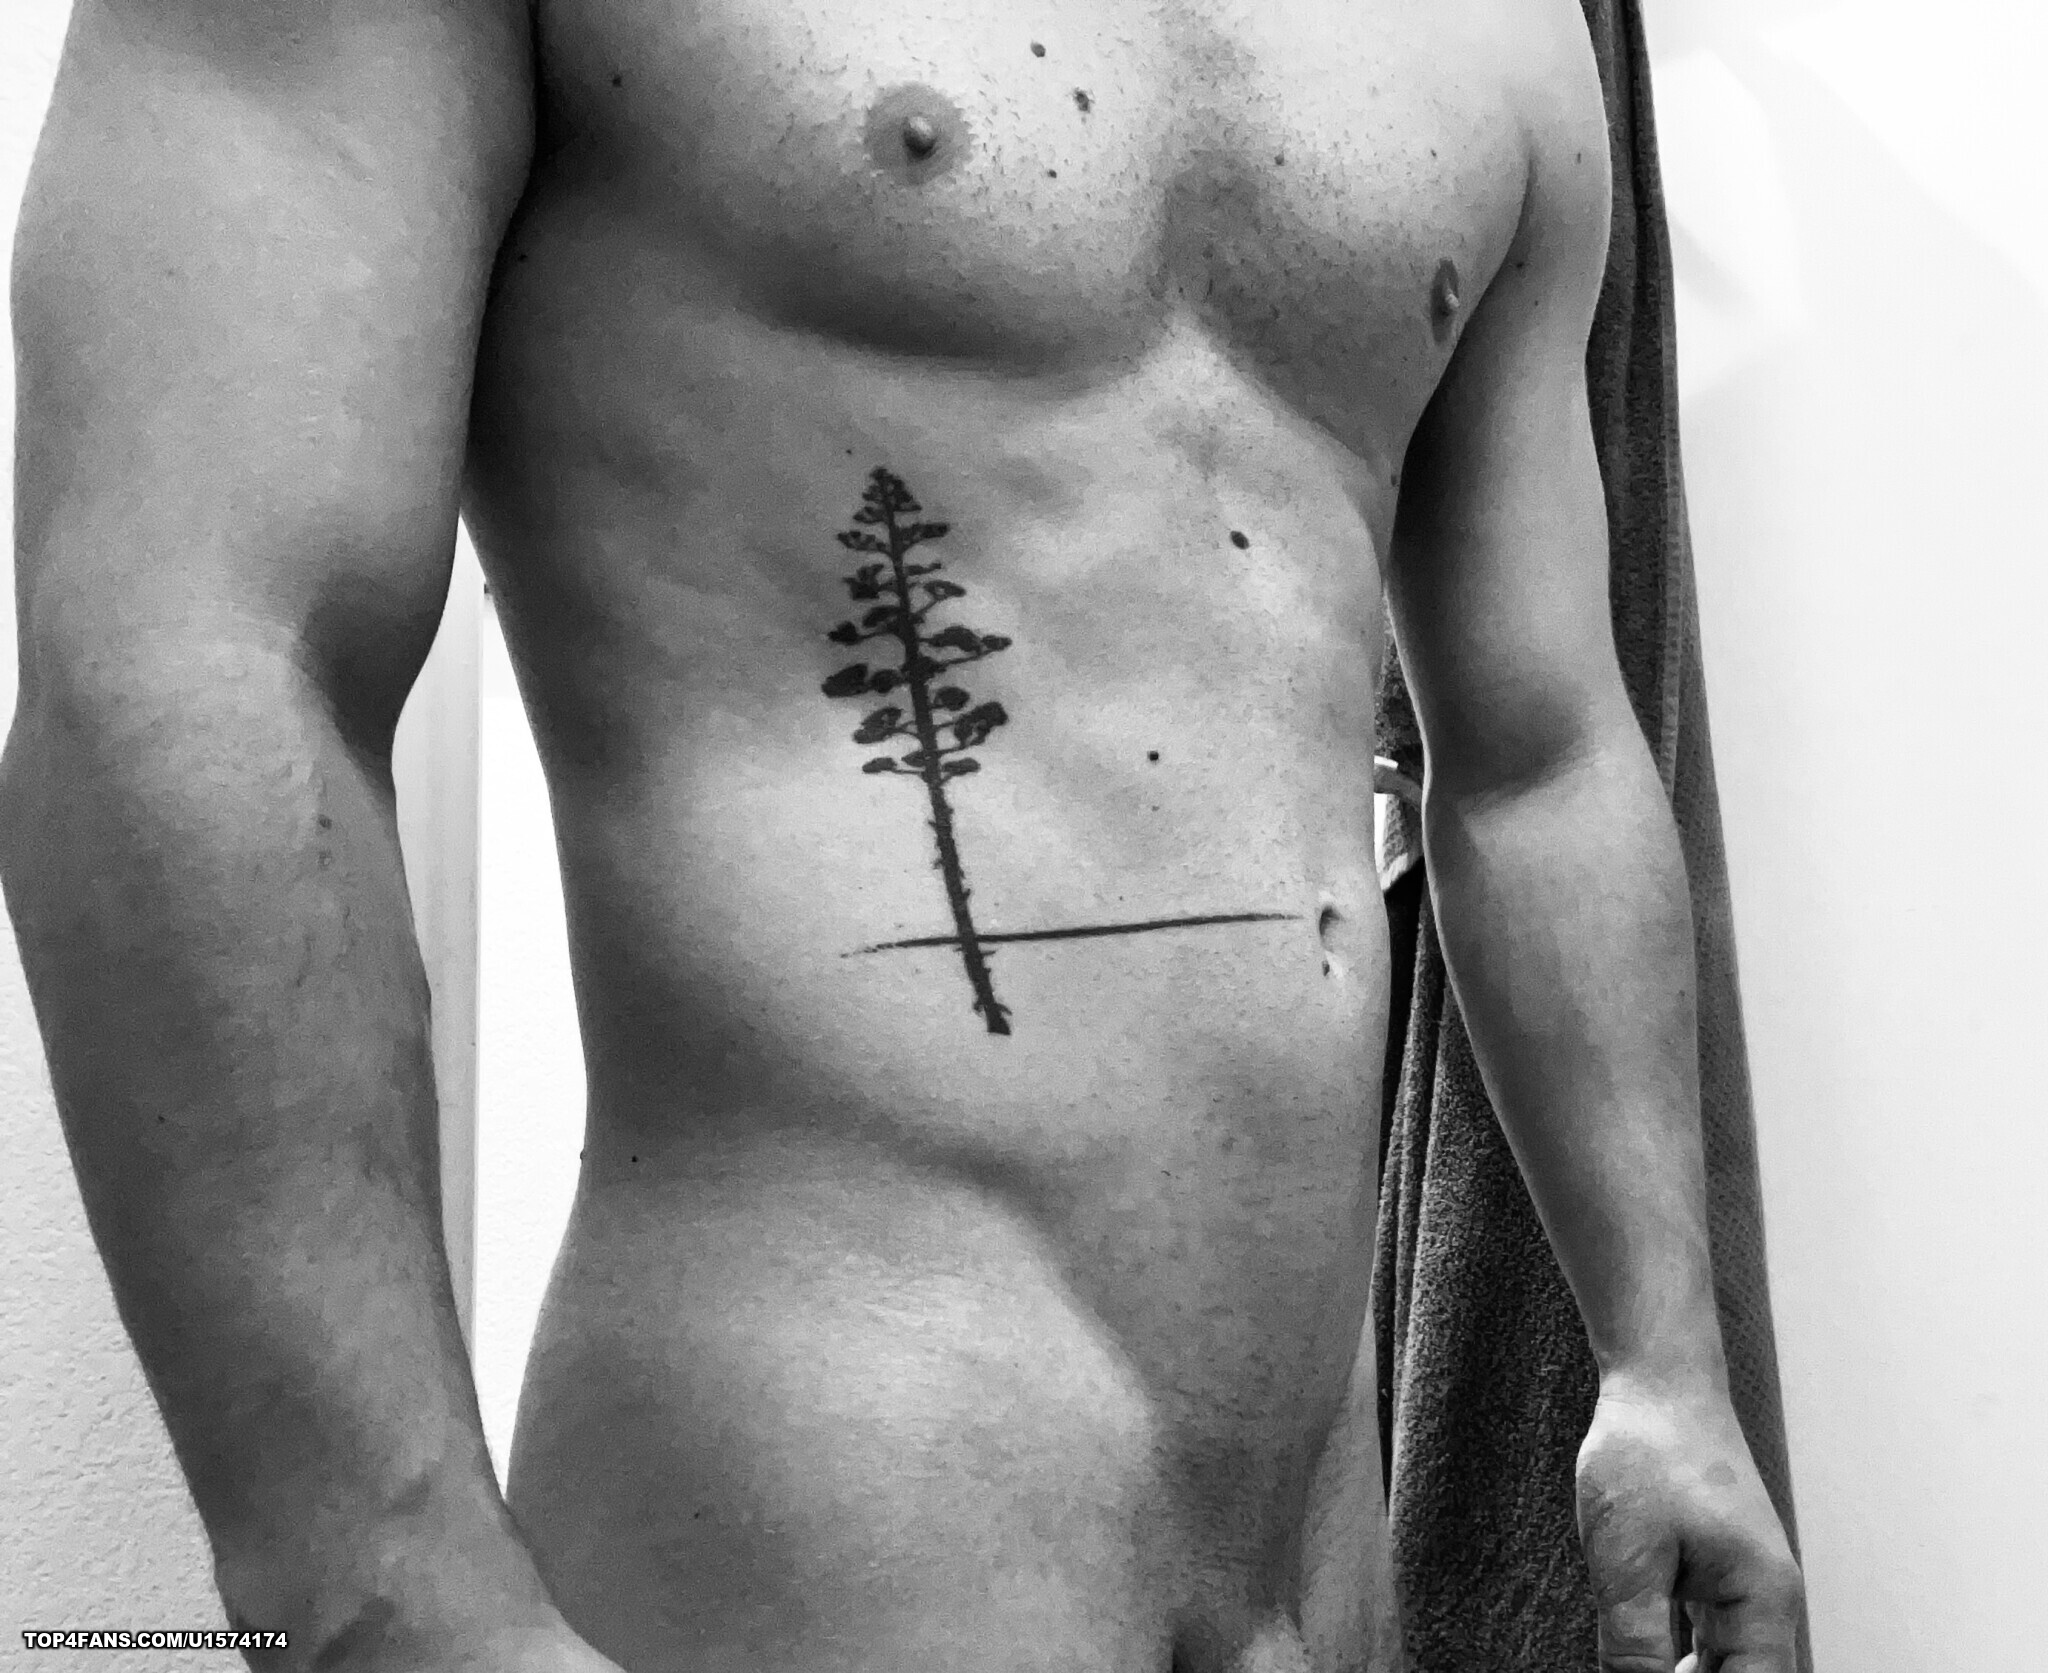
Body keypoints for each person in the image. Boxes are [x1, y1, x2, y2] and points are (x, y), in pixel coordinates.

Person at [0, 0, 1804, 1668]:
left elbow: (1540, 755)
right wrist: (384, 1597)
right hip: (824, 1505)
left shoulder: (1505, 34)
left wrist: (1668, 1366)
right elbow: (195, 660)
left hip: (1323, 1568)